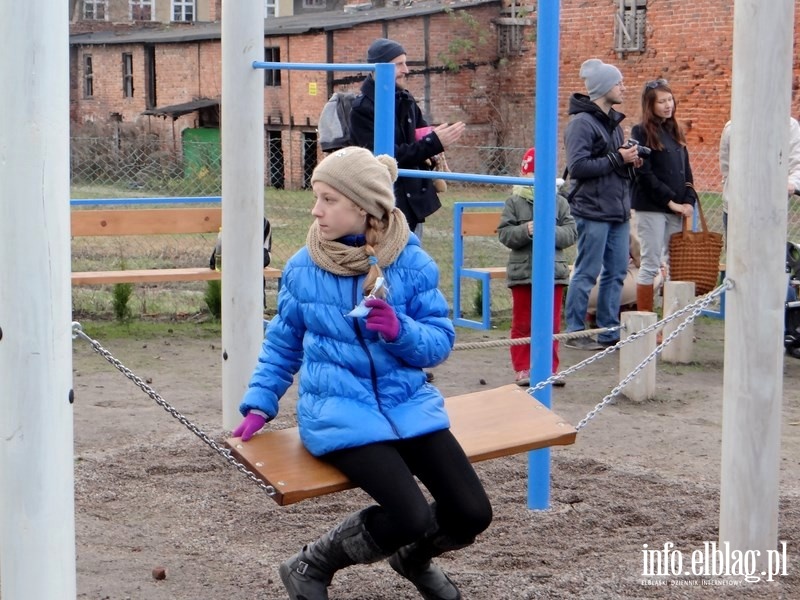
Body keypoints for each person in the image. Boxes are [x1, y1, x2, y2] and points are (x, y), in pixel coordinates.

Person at [233, 147, 492, 600]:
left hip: (406, 404)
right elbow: (282, 344)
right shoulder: (303, 268)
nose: (316, 210)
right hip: (338, 411)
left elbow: (439, 342)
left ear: (363, 206)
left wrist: (400, 331)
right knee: (410, 515)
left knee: (471, 512)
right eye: (317, 197)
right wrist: (260, 402)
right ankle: (311, 563)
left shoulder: (410, 263)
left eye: (328, 199)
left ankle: (413, 557)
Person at [349, 38, 465, 239]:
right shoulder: (363, 110)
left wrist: (434, 144)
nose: (406, 70)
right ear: (379, 69)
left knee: (411, 261)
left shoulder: (406, 99)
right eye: (399, 64)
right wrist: (434, 142)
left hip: (411, 202)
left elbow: (420, 137)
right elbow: (384, 158)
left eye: (405, 62)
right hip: (383, 202)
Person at [562, 58, 641, 351]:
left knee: (617, 271)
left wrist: (629, 161)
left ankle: (608, 331)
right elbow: (579, 166)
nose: (624, 87)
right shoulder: (581, 124)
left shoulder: (613, 124)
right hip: (592, 210)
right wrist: (619, 158)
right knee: (586, 272)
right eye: (619, 82)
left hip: (617, 209)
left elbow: (611, 164)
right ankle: (574, 331)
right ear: (604, 87)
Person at [498, 147, 577, 387]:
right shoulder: (514, 202)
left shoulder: (560, 203)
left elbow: (571, 232)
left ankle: (549, 368)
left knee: (551, 323)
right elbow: (505, 234)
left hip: (554, 272)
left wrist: (549, 230)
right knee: (523, 322)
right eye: (530, 177)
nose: (535, 182)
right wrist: (525, 230)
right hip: (524, 272)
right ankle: (523, 368)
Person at [630, 79, 696, 311]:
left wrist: (688, 201)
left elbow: (686, 171)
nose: (668, 105)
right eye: (662, 101)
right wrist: (671, 201)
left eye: (670, 99)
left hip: (676, 208)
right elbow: (644, 175)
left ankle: (672, 323)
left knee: (673, 265)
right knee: (651, 263)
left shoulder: (674, 129)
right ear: (650, 105)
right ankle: (645, 324)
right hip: (653, 207)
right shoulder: (640, 131)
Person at [720, 116, 800, 232]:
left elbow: (797, 162)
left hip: (772, 210)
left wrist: (792, 183)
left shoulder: (789, 126)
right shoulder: (733, 127)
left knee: (771, 249)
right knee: (737, 249)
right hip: (737, 209)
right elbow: (726, 167)